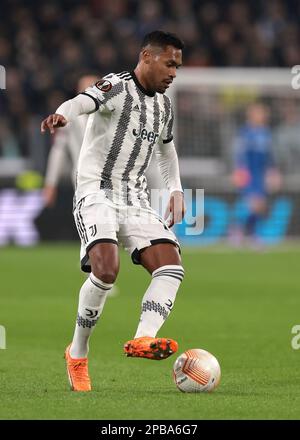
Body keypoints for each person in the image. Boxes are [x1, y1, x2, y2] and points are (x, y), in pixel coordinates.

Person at [41, 30, 185, 392]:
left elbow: (167, 152)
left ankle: (142, 338)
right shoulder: (116, 86)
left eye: (178, 67)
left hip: (134, 198)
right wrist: (61, 115)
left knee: (170, 265)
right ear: (147, 57)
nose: (173, 73)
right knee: (106, 271)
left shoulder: (164, 106)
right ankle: (77, 352)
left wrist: (176, 190)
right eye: (169, 64)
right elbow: (80, 102)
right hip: (96, 193)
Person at [43, 75, 99, 207]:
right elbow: (58, 150)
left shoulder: (112, 116)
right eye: (84, 91)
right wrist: (50, 182)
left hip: (112, 177)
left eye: (92, 89)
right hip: (82, 178)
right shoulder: (69, 118)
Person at [231, 103, 281, 243]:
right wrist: (238, 170)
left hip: (261, 174)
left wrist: (273, 172)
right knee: (253, 204)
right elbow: (239, 153)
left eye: (263, 113)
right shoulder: (245, 132)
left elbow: (271, 156)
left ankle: (249, 232)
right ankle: (240, 231)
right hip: (248, 173)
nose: (262, 116)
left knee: (260, 205)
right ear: (251, 115)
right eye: (259, 113)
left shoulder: (266, 133)